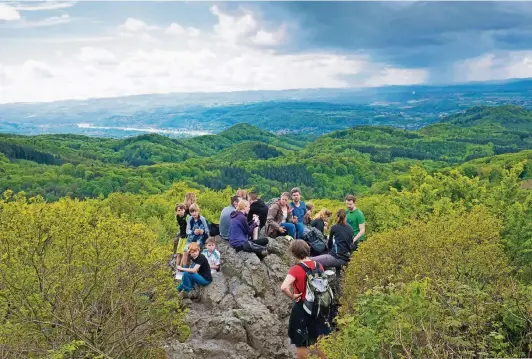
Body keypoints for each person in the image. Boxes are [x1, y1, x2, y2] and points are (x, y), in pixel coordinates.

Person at [281, 240, 327, 359]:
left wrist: (292, 296)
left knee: (300, 341)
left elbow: (284, 287)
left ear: (294, 254)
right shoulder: (319, 265)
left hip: (302, 307)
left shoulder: (296, 269)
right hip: (319, 308)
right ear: (308, 249)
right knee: (319, 339)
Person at [173, 203, 188, 268]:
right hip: (181, 236)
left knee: (183, 253)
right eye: (178, 210)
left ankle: (180, 268)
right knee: (178, 253)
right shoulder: (178, 217)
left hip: (186, 236)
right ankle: (177, 267)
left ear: (184, 210)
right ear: (176, 212)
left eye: (182, 210)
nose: (180, 211)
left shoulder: (187, 217)